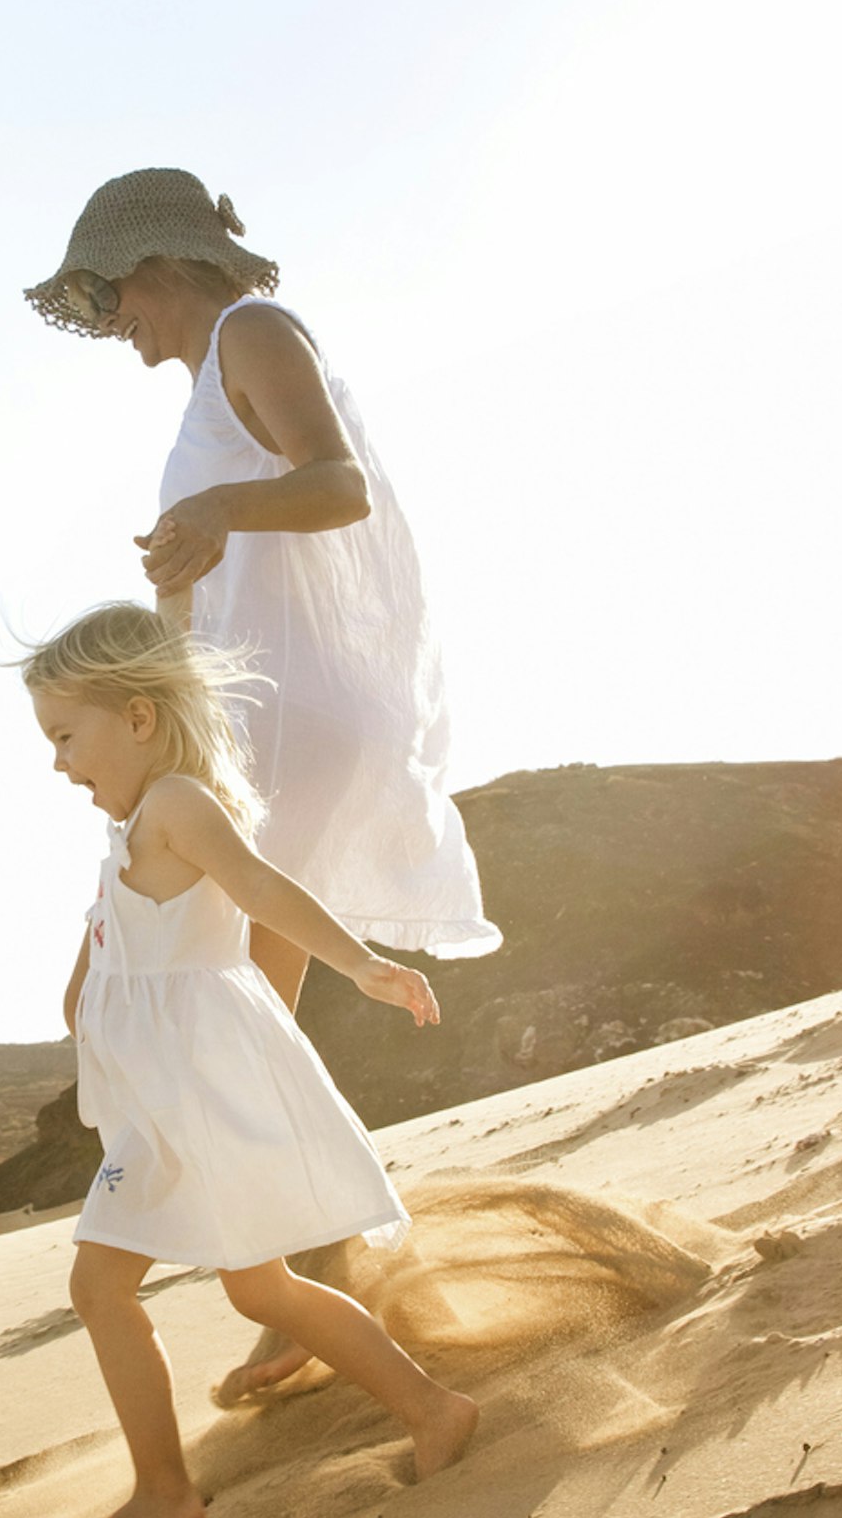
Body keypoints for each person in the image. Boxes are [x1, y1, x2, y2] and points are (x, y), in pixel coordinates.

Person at [27, 166, 498, 1402]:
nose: (108, 317)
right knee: (251, 1019)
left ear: (160, 265)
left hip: (293, 719)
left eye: (109, 292)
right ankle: (313, 1286)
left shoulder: (254, 330)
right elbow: (224, 569)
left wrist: (223, 508)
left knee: (241, 1018)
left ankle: (304, 1295)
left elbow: (337, 484)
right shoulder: (207, 378)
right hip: (258, 717)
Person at [20, 602, 480, 1518]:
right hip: (164, 1108)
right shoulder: (132, 828)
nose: (59, 762)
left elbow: (265, 892)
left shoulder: (180, 805)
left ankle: (163, 1491)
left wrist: (363, 967)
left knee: (102, 1287)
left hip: (198, 1100)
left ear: (139, 719)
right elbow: (116, 951)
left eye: (67, 736)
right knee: (259, 1292)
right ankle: (431, 1407)